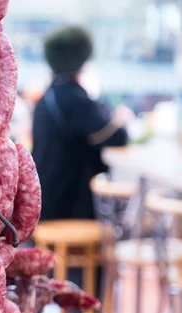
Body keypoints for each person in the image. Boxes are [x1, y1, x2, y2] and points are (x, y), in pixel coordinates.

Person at [32, 26, 130, 220]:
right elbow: (118, 137)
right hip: (68, 207)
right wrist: (121, 119)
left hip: (45, 202)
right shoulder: (75, 99)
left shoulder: (49, 96)